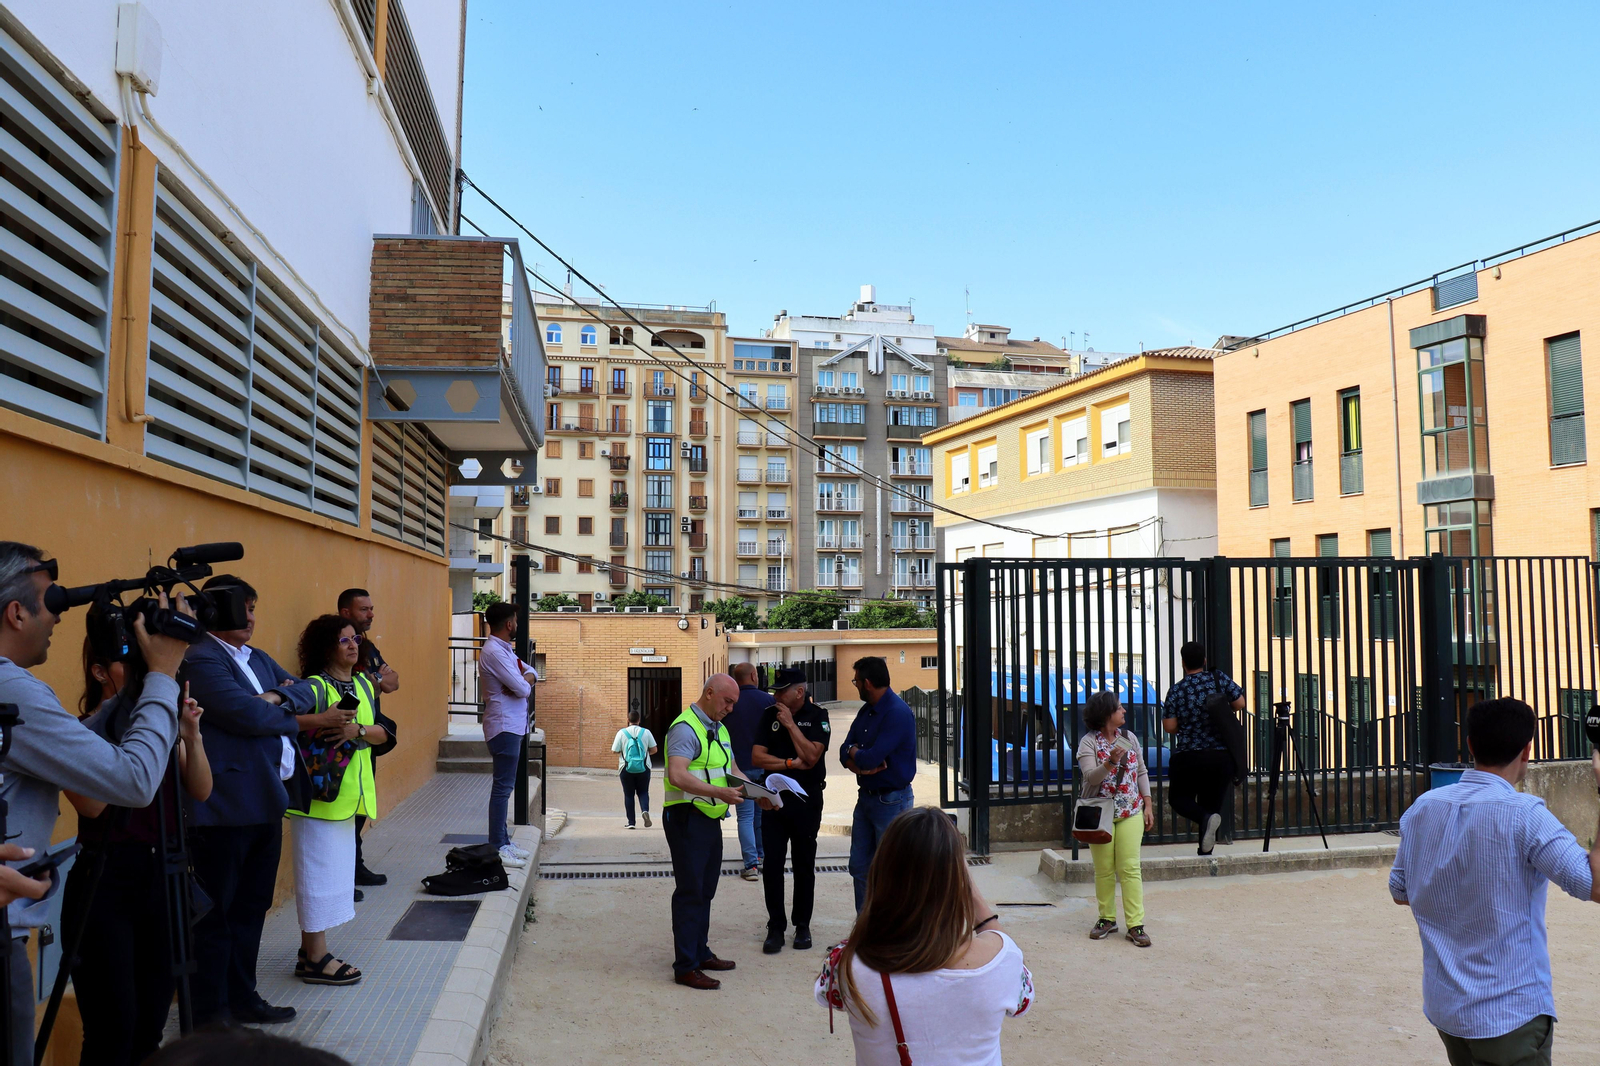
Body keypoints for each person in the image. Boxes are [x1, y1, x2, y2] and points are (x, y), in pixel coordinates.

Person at [0, 543, 187, 1064]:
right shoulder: (14, 688)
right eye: (51, 602)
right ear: (17, 613)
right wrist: (163, 675)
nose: (58, 617)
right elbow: (132, 781)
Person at [1391, 698, 1600, 1065]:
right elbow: (1595, 886)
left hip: (1447, 1009)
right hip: (1510, 1014)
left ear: (1470, 744)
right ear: (1527, 751)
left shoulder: (1423, 807)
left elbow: (1400, 891)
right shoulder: (1526, 815)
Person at [182, 575, 340, 1026]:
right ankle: (210, 1015)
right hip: (224, 807)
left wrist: (274, 697)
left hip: (266, 800)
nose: (251, 618)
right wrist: (279, 708)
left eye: (254, 609)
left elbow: (312, 689)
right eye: (244, 609)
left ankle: (243, 997)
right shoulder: (201, 658)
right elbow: (247, 715)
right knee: (216, 916)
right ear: (215, 610)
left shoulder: (255, 657)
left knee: (251, 910)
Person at [63, 618, 214, 1066]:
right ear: (99, 672)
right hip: (105, 880)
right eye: (133, 666)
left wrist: (190, 734)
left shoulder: (159, 729)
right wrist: (125, 727)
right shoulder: (78, 731)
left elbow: (201, 790)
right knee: (112, 1029)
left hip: (162, 877)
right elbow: (92, 806)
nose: (146, 676)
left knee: (150, 1026)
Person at [815, 807, 1033, 1066]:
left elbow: (827, 996)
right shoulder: (1003, 960)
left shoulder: (845, 963)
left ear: (881, 873)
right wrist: (973, 895)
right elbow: (1021, 1003)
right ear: (959, 879)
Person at [288, 615, 389, 987]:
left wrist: (356, 730)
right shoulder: (314, 686)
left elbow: (385, 732)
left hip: (350, 799)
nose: (352, 645)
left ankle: (309, 952)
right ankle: (316, 958)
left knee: (333, 876)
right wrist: (322, 721)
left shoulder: (362, 683)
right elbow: (282, 717)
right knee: (317, 876)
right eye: (343, 640)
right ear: (325, 647)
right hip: (318, 798)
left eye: (355, 639)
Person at [662, 673, 757, 990]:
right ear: (709, 693)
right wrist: (719, 793)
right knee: (690, 891)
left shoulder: (719, 728)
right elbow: (677, 775)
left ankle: (700, 953)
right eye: (727, 701)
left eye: (733, 704)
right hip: (687, 818)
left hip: (708, 818)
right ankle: (686, 967)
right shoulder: (685, 728)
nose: (730, 708)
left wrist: (759, 794)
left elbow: (732, 770)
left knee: (705, 890)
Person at [751, 666, 830, 954]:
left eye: (781, 691)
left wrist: (790, 725)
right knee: (772, 864)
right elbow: (757, 757)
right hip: (773, 799)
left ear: (799, 692)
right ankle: (775, 926)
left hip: (807, 800)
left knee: (803, 863)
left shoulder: (818, 716)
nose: (776, 697)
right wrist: (787, 764)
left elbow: (811, 756)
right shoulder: (768, 715)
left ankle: (802, 925)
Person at [839, 656, 917, 912]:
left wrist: (857, 755)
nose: (856, 686)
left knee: (891, 872)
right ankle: (865, 927)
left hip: (892, 802)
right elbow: (843, 751)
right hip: (866, 798)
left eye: (856, 681)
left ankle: (892, 931)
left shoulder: (897, 713)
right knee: (859, 867)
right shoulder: (866, 711)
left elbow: (870, 758)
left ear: (868, 683)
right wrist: (858, 762)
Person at [1076, 689, 1153, 948]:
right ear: (1107, 713)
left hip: (1131, 810)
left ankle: (1136, 924)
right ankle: (1106, 918)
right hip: (1100, 814)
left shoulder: (1128, 737)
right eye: (1119, 708)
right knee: (1104, 870)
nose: (1124, 711)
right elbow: (1091, 777)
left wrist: (1148, 803)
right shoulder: (1088, 743)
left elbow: (1140, 771)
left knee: (1130, 868)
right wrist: (1110, 761)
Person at [338, 588, 398, 889]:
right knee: (342, 810)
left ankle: (355, 866)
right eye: (364, 609)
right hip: (342, 741)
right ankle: (342, 876)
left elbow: (393, 681)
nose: (371, 614)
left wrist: (378, 680)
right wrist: (375, 680)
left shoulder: (368, 647)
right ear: (346, 612)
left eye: (371, 608)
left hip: (367, 739)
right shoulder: (336, 645)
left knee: (360, 807)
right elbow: (353, 683)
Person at [1160, 640, 1244, 855]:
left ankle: (1204, 820)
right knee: (1211, 806)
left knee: (1178, 799)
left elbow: (1169, 726)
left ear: (1183, 663)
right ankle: (1206, 854)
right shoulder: (1218, 679)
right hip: (1221, 756)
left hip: (1189, 756)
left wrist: (1188, 723)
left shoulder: (1177, 690)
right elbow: (1240, 703)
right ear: (1204, 661)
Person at [478, 603, 537, 869]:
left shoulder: (505, 650)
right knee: (502, 789)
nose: (517, 625)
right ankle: (497, 846)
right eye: (516, 620)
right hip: (504, 727)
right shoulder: (494, 652)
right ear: (509, 624)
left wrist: (524, 680)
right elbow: (523, 690)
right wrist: (522, 682)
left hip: (512, 726)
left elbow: (531, 673)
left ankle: (503, 841)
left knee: (505, 787)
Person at [725, 662, 772, 880]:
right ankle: (760, 855)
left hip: (738, 768)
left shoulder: (730, 702)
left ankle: (751, 865)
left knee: (745, 817)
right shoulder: (768, 701)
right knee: (760, 815)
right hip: (763, 767)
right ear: (754, 675)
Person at [611, 708, 657, 829]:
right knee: (643, 792)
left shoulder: (621, 733)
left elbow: (614, 750)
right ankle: (645, 810)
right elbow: (654, 749)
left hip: (626, 768)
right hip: (644, 767)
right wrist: (643, 755)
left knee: (628, 794)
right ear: (639, 720)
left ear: (628, 720)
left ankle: (631, 822)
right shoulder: (646, 732)